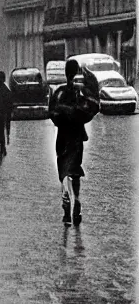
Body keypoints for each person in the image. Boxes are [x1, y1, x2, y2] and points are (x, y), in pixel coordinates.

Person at [49, 59, 99, 226]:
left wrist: (63, 115)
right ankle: (76, 198)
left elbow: (52, 113)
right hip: (77, 137)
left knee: (63, 169)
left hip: (63, 137)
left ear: (65, 72)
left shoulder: (59, 92)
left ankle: (65, 198)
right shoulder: (81, 94)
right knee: (75, 170)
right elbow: (91, 109)